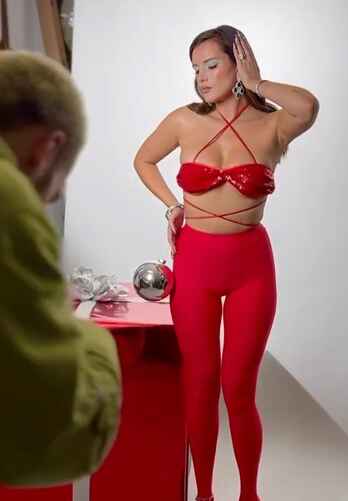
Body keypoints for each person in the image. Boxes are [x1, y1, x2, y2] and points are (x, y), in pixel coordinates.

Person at [133, 25, 319, 501]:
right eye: (196, 68)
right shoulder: (183, 120)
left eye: (212, 65)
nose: (201, 77)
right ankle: (204, 495)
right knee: (199, 383)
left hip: (249, 268)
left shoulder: (273, 125)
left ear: (239, 63)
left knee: (238, 387)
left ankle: (249, 494)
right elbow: (143, 160)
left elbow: (308, 106)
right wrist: (172, 206)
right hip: (195, 264)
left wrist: (259, 84)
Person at [0, 50, 122, 486]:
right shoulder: (8, 197)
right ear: (46, 149)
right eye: (58, 181)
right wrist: (94, 342)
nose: (51, 197)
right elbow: (41, 435)